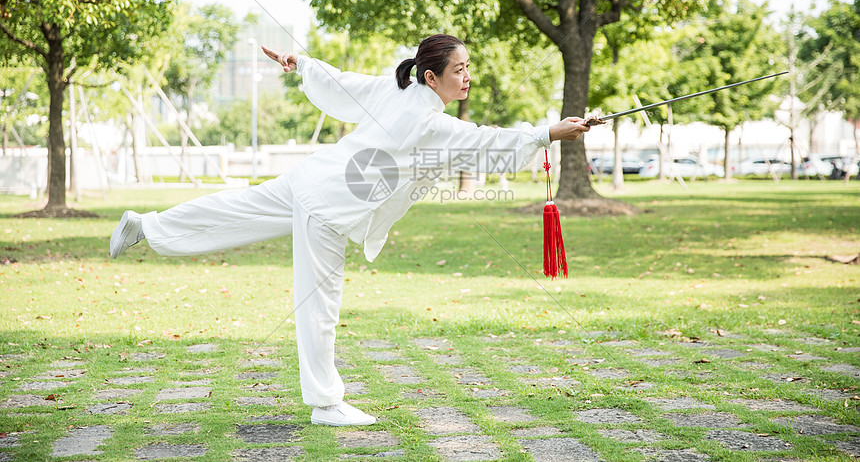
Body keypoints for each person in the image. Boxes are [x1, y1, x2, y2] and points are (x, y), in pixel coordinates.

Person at [109, 34, 591, 426]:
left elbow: (343, 84)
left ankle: (146, 226)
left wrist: (304, 64)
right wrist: (549, 132)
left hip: (310, 180)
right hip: (329, 206)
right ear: (431, 76)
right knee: (320, 304)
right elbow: (486, 140)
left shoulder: (397, 91)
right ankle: (326, 404)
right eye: (459, 70)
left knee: (235, 207)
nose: (467, 77)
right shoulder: (426, 119)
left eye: (468, 67)